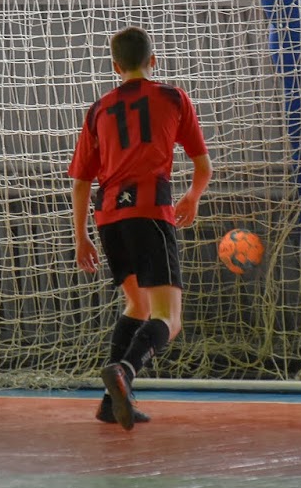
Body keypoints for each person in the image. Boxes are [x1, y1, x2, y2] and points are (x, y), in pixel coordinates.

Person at [68, 27, 212, 430]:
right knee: (170, 317)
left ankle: (108, 404)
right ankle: (125, 372)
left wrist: (81, 237)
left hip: (110, 217)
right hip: (150, 211)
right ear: (154, 60)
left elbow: (81, 183)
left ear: (115, 67)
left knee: (138, 306)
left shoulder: (98, 109)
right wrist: (192, 197)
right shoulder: (173, 98)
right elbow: (203, 167)